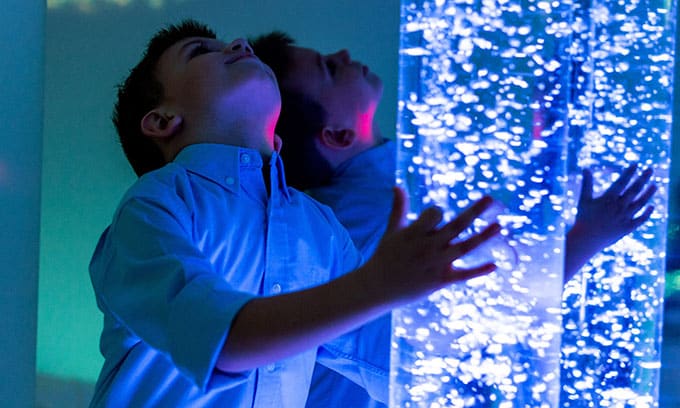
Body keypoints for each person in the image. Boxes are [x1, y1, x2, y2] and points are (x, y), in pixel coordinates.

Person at [88, 19, 503, 407]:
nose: (239, 44)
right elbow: (223, 341)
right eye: (200, 51)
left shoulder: (318, 225)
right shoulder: (154, 204)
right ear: (162, 121)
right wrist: (379, 283)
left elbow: (391, 363)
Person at [251, 31, 658, 408]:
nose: (342, 54)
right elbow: (478, 319)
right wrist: (588, 237)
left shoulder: (379, 187)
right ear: (338, 135)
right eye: (329, 68)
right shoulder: (368, 213)